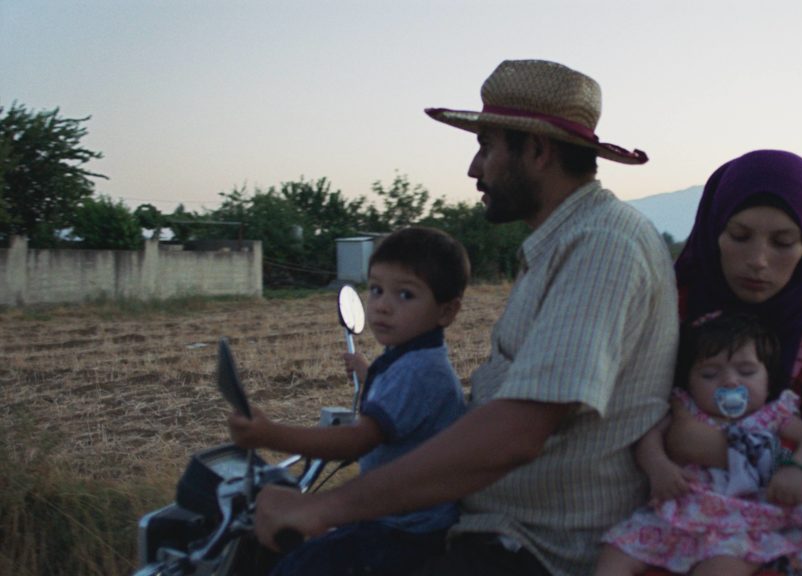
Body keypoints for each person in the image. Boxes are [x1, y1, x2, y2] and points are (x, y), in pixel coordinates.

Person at [251, 59, 679, 576]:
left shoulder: (602, 245)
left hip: (530, 550)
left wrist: (323, 507)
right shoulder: (565, 242)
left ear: (537, 151)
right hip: (490, 525)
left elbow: (515, 433)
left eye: (485, 147)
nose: (474, 169)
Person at [668, 149, 802, 575]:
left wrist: (708, 446)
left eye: (783, 242)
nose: (759, 260)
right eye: (740, 236)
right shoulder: (676, 304)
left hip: (792, 529)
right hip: (675, 515)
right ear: (712, 231)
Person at [228, 226, 470, 575]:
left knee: (294, 568)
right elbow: (406, 408)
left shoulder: (417, 371)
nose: (383, 306)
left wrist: (269, 434)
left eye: (405, 295)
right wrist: (368, 374)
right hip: (403, 519)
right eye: (376, 290)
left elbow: (357, 441)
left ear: (446, 312)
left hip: (403, 531)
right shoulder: (413, 358)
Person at [596, 311, 802, 576]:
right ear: (688, 380)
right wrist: (659, 467)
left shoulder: (773, 415)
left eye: (746, 371)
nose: (730, 381)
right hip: (679, 513)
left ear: (768, 381)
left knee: (721, 568)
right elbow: (649, 438)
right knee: (616, 552)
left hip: (748, 522)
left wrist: (798, 469)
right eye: (710, 374)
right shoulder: (686, 410)